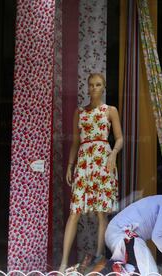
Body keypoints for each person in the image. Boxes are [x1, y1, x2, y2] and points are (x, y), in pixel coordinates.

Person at [59, 73, 123, 272]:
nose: (94, 88)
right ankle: (62, 263)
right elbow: (76, 142)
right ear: (87, 88)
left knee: (101, 213)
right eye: (91, 85)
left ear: (103, 87)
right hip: (85, 163)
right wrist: (71, 165)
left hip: (103, 163)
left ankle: (97, 257)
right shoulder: (80, 112)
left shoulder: (110, 111)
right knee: (74, 211)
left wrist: (113, 154)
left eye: (98, 85)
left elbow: (120, 138)